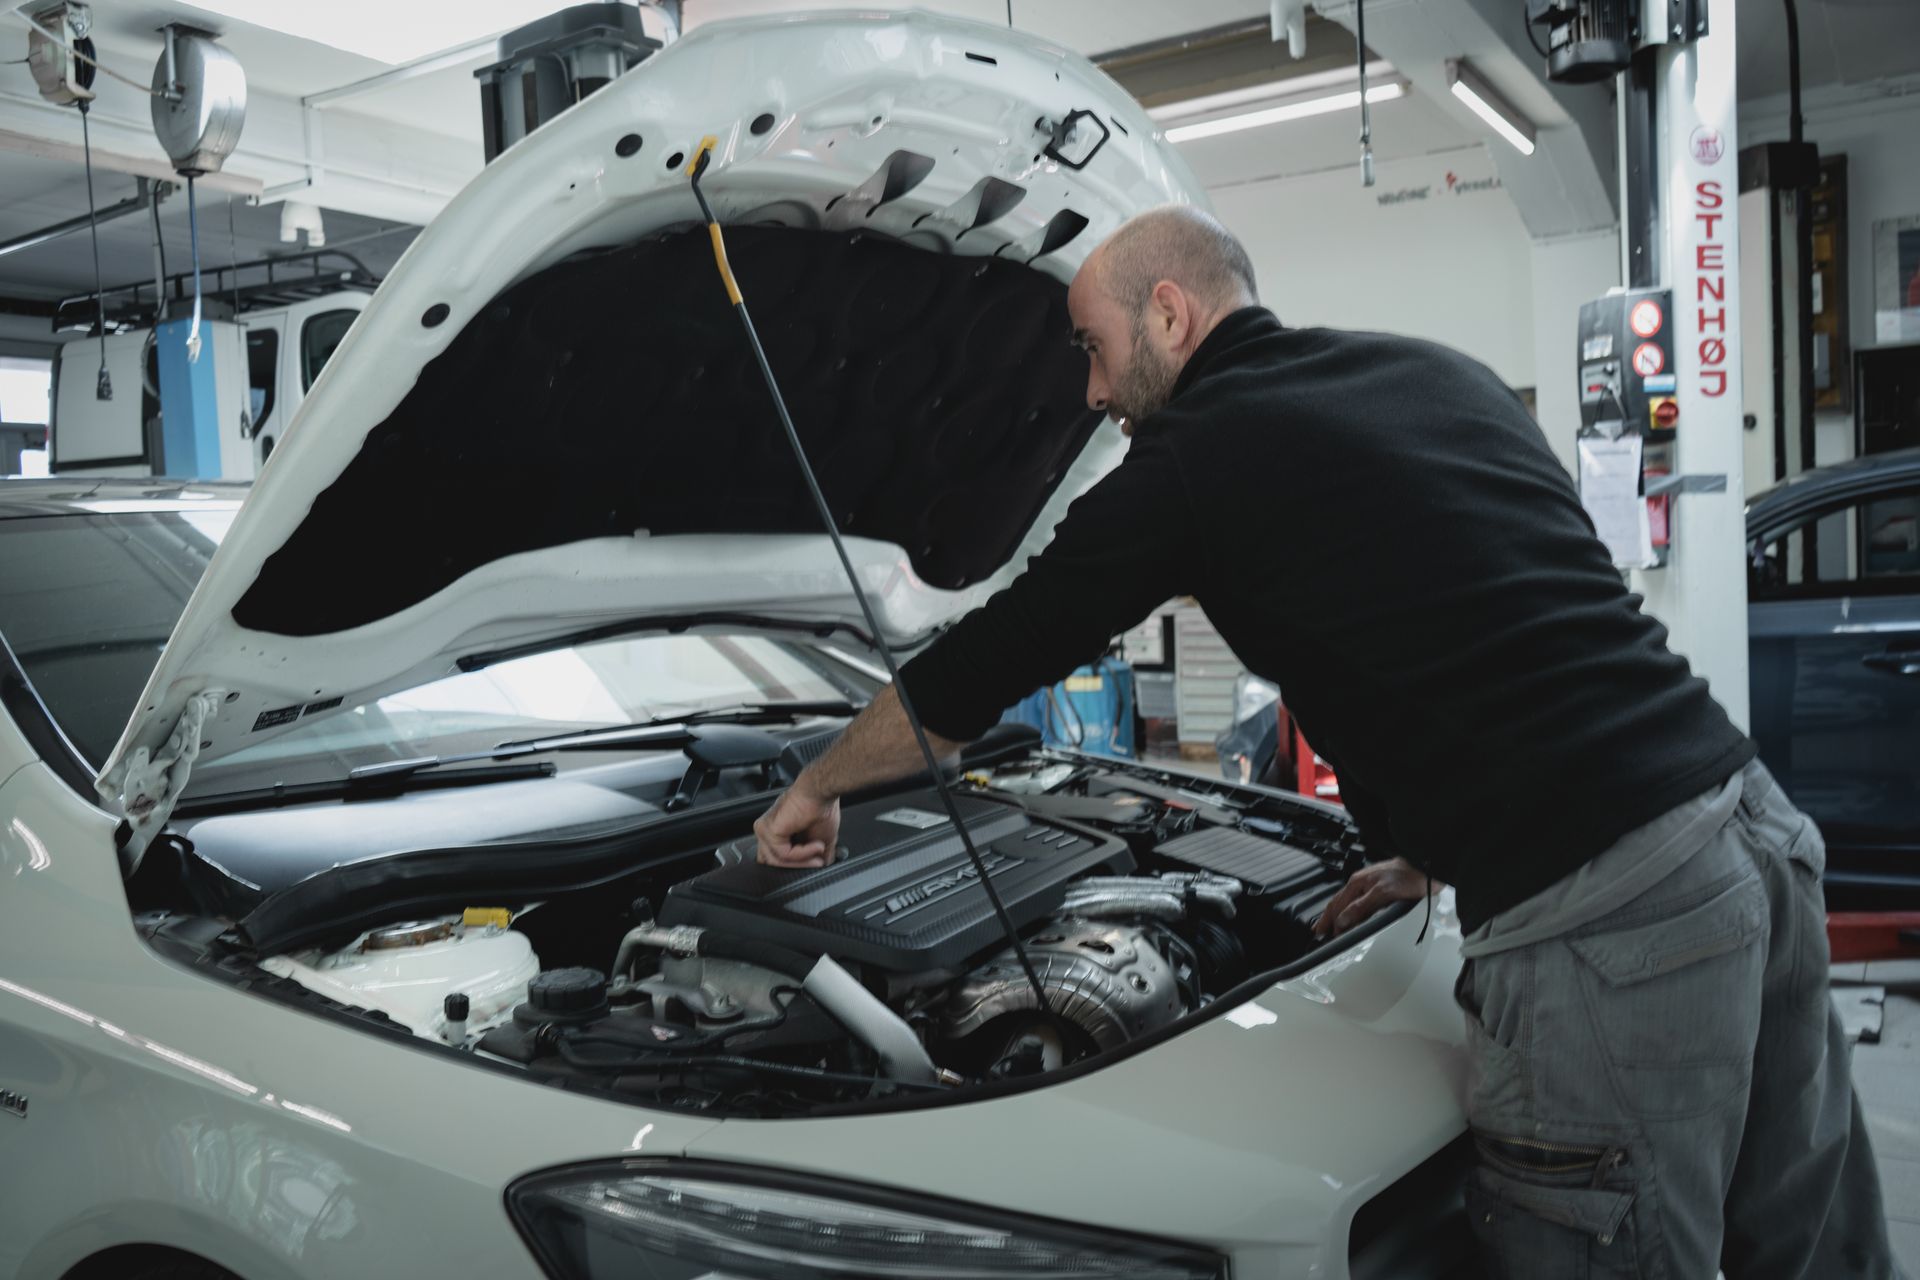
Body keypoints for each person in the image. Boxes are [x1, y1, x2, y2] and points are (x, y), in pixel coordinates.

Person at [751, 205, 1900, 1279]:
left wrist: (820, 779)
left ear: (1169, 312)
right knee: (1805, 1247)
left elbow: (991, 657)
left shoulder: (1198, 456)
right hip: (1749, 828)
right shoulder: (1428, 371)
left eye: (1092, 346)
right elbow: (1479, 627)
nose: (1093, 390)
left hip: (1615, 917)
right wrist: (1423, 850)